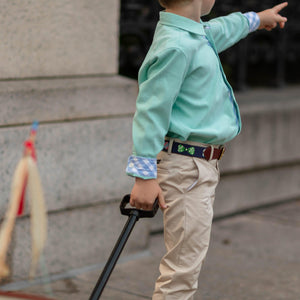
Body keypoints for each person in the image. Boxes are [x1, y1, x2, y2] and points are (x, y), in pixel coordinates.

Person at [126, 0, 288, 298]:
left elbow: (222, 28)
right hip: (185, 169)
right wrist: (143, 175)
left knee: (187, 263)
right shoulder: (176, 46)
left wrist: (256, 19)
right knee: (182, 272)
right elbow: (151, 110)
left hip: (196, 167)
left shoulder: (193, 33)